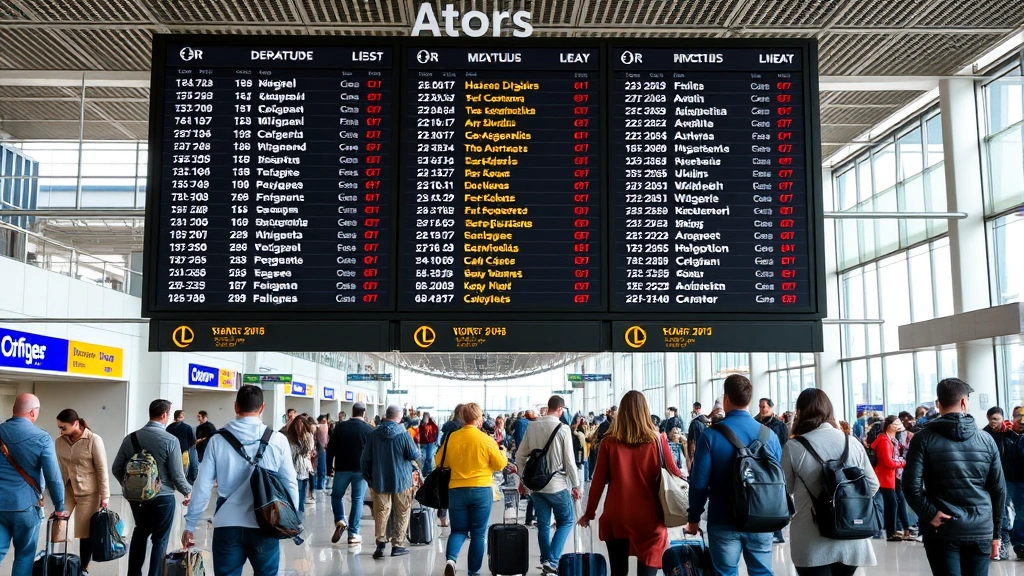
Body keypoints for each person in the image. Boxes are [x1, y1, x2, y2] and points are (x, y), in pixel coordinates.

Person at [181, 385, 297, 576]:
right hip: (266, 524)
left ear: (236, 407)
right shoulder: (277, 440)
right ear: (262, 408)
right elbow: (290, 483)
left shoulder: (217, 440)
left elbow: (203, 486)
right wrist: (290, 520)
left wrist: (190, 524)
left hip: (227, 526)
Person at [904, 378, 1006, 575]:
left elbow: (910, 487)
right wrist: (996, 534)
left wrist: (930, 513)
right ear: (964, 402)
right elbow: (998, 489)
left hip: (942, 529)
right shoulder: (986, 440)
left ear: (938, 404)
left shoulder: (922, 439)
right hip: (980, 528)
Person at [686, 375, 781, 576]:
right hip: (762, 518)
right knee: (762, 572)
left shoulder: (710, 436)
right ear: (750, 401)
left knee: (726, 573)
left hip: (723, 519)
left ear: (726, 398)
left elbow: (698, 483)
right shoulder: (769, 436)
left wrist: (693, 517)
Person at [579, 391, 682, 576]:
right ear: (645, 411)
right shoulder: (658, 440)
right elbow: (675, 474)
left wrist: (589, 513)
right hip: (650, 518)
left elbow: (597, 483)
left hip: (617, 516)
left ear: (622, 412)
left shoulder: (609, 443)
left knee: (618, 572)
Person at [782, 389, 878, 576]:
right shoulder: (853, 443)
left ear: (800, 412)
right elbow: (872, 485)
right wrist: (846, 503)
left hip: (811, 537)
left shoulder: (794, 447)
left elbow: (786, 488)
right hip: (851, 534)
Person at [112, 399, 192, 576]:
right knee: (160, 540)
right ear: (164, 415)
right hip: (163, 498)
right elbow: (178, 476)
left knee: (140, 533)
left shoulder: (131, 438)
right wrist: (188, 491)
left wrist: (131, 487)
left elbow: (116, 468)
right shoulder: (170, 440)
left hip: (137, 499)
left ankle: (133, 573)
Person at [0, 394, 67, 575]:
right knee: (24, 554)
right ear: (32, 411)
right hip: (26, 505)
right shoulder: (42, 438)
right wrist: (60, 506)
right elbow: (53, 476)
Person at [515, 396, 581, 575]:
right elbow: (569, 461)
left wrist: (522, 480)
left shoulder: (532, 425)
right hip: (557, 485)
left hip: (536, 487)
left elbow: (519, 456)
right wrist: (576, 485)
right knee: (566, 521)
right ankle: (551, 561)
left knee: (543, 525)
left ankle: (546, 561)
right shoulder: (563, 428)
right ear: (560, 409)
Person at [440, 402, 508, 576]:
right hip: (481, 489)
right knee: (478, 534)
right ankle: (473, 572)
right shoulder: (486, 440)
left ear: (463, 417)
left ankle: (451, 560)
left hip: (456, 490)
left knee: (458, 530)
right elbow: (499, 465)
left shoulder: (452, 437)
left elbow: (440, 462)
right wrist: (503, 453)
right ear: (478, 419)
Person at [362, 404, 420, 560]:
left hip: (380, 479)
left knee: (381, 511)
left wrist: (367, 476)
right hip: (402, 480)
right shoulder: (404, 434)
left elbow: (365, 458)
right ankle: (398, 545)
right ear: (399, 417)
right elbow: (414, 454)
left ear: (386, 416)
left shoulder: (374, 434)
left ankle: (381, 542)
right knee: (402, 511)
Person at [55, 409, 109, 574]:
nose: (60, 431)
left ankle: (84, 566)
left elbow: (102, 468)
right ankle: (58, 561)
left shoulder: (93, 439)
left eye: (63, 427)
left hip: (89, 492)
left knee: (85, 531)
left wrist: (105, 495)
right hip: (68, 489)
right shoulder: (59, 441)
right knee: (58, 526)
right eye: (59, 427)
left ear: (75, 424)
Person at [327, 401, 373, 545]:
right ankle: (353, 534)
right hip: (361, 471)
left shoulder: (340, 427)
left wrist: (329, 466)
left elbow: (330, 448)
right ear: (364, 413)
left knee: (336, 496)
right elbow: (372, 453)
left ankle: (340, 519)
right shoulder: (369, 429)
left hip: (342, 468)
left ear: (352, 412)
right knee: (357, 500)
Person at [984, 406, 1024, 560]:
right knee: (1004, 512)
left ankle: (1019, 544)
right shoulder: (1006, 435)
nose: (1020, 421)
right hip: (1005, 479)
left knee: (1020, 513)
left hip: (1018, 479)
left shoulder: (1011, 435)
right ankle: (1006, 545)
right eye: (1017, 417)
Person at [755, 397, 790, 544]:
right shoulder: (756, 422)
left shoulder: (778, 425)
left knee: (774, 497)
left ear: (771, 407)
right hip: (759, 463)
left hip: (774, 464)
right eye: (760, 406)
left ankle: (777, 532)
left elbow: (782, 445)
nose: (762, 409)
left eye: (764, 407)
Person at [870, 415, 907, 542]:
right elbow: (888, 462)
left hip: (884, 477)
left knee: (891, 504)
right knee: (892, 504)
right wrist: (902, 463)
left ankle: (891, 531)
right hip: (885, 477)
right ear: (890, 425)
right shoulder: (885, 441)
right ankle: (891, 533)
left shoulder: (884, 439)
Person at [286, 416, 315, 520]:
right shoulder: (294, 438)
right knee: (298, 494)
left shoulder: (305, 437)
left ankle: (298, 516)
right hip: (299, 469)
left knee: (300, 494)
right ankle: (297, 516)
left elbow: (308, 452)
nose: (299, 427)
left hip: (302, 469)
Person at [166, 409, 198, 483]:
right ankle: (182, 482)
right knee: (184, 468)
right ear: (182, 417)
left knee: (173, 467)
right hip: (184, 451)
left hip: (171, 452)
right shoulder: (187, 427)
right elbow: (193, 440)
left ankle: (174, 481)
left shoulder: (169, 428)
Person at [686, 405, 710, 472]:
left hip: (696, 452)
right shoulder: (704, 424)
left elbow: (692, 441)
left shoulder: (694, 423)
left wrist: (690, 458)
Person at [314, 415, 329, 493]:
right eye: (323, 421)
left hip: (321, 448)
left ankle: (320, 484)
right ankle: (320, 485)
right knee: (320, 467)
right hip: (320, 448)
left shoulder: (319, 427)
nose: (325, 423)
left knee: (321, 467)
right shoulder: (319, 427)